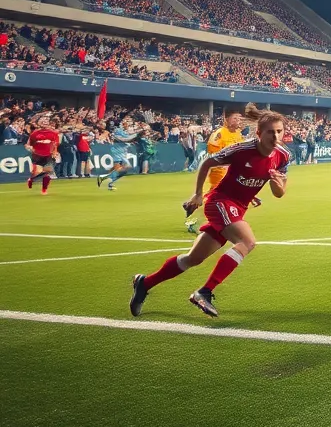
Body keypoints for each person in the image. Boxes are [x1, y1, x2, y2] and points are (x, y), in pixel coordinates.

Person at [129, 106, 290, 319]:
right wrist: (197, 195)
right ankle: (205, 291)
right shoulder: (241, 150)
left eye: (279, 131)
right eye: (271, 131)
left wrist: (276, 183)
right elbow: (207, 163)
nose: (276, 136)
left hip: (237, 209)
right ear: (259, 134)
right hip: (220, 202)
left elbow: (279, 193)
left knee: (192, 259)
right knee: (248, 242)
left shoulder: (283, 155)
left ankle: (144, 283)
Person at [186, 107, 260, 234]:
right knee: (219, 198)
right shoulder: (219, 134)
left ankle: (192, 208)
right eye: (235, 118)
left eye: (239, 118)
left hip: (232, 173)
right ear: (226, 119)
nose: (238, 121)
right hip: (220, 171)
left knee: (217, 197)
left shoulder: (238, 135)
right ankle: (196, 221)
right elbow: (213, 155)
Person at [97, 118, 140, 191]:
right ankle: (105, 180)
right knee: (124, 168)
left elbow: (127, 136)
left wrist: (137, 132)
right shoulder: (115, 132)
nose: (121, 124)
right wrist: (137, 135)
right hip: (117, 152)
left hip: (121, 152)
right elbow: (124, 139)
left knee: (116, 168)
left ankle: (107, 182)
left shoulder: (118, 131)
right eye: (120, 123)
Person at [26, 116, 59, 195]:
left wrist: (55, 152)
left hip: (48, 155)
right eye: (42, 120)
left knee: (48, 172)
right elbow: (28, 144)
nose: (44, 122)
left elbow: (55, 144)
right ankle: (31, 179)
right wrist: (29, 148)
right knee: (38, 172)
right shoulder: (34, 134)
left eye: (46, 120)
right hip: (37, 155)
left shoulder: (54, 133)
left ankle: (44, 189)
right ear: (38, 123)